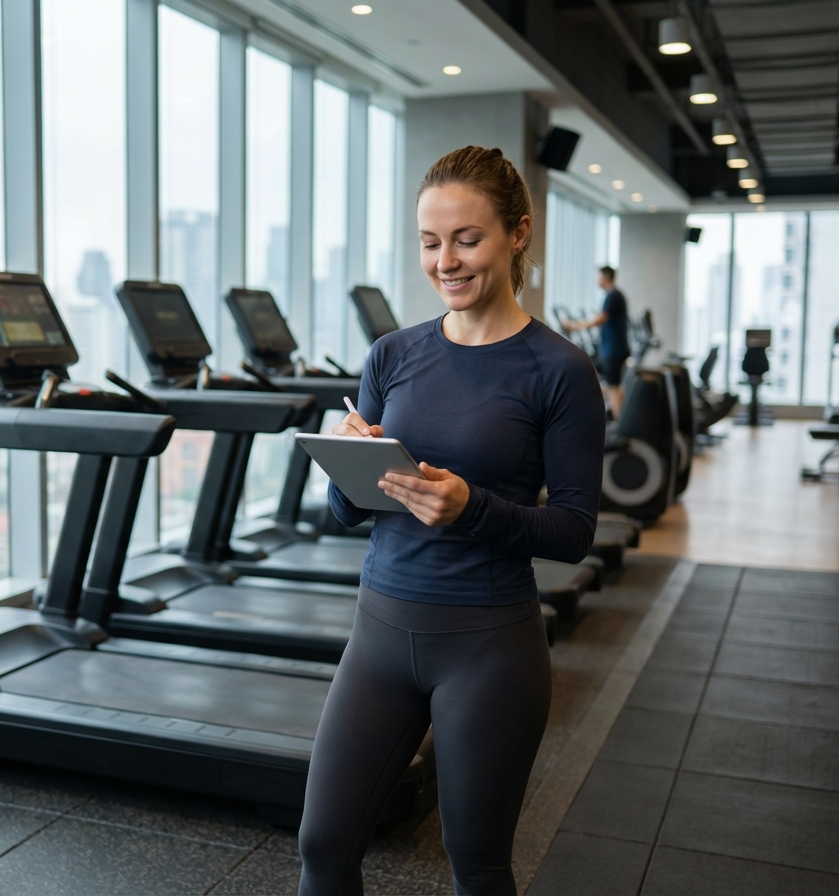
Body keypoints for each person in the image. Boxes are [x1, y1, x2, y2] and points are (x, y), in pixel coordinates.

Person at [296, 146, 605, 895]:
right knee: (323, 847)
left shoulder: (558, 370)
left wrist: (474, 509)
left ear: (517, 233)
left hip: (488, 647)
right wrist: (348, 462)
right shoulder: (392, 354)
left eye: (467, 239)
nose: (446, 261)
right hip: (379, 632)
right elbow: (345, 513)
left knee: (476, 867)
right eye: (431, 243)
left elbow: (572, 533)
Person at [564, 266, 630, 416]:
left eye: (598, 276)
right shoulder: (613, 295)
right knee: (592, 373)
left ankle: (620, 425)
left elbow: (599, 320)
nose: (596, 280)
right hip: (609, 350)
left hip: (613, 350)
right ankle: (598, 412)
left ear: (606, 277)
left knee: (613, 387)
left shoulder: (613, 295)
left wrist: (575, 326)